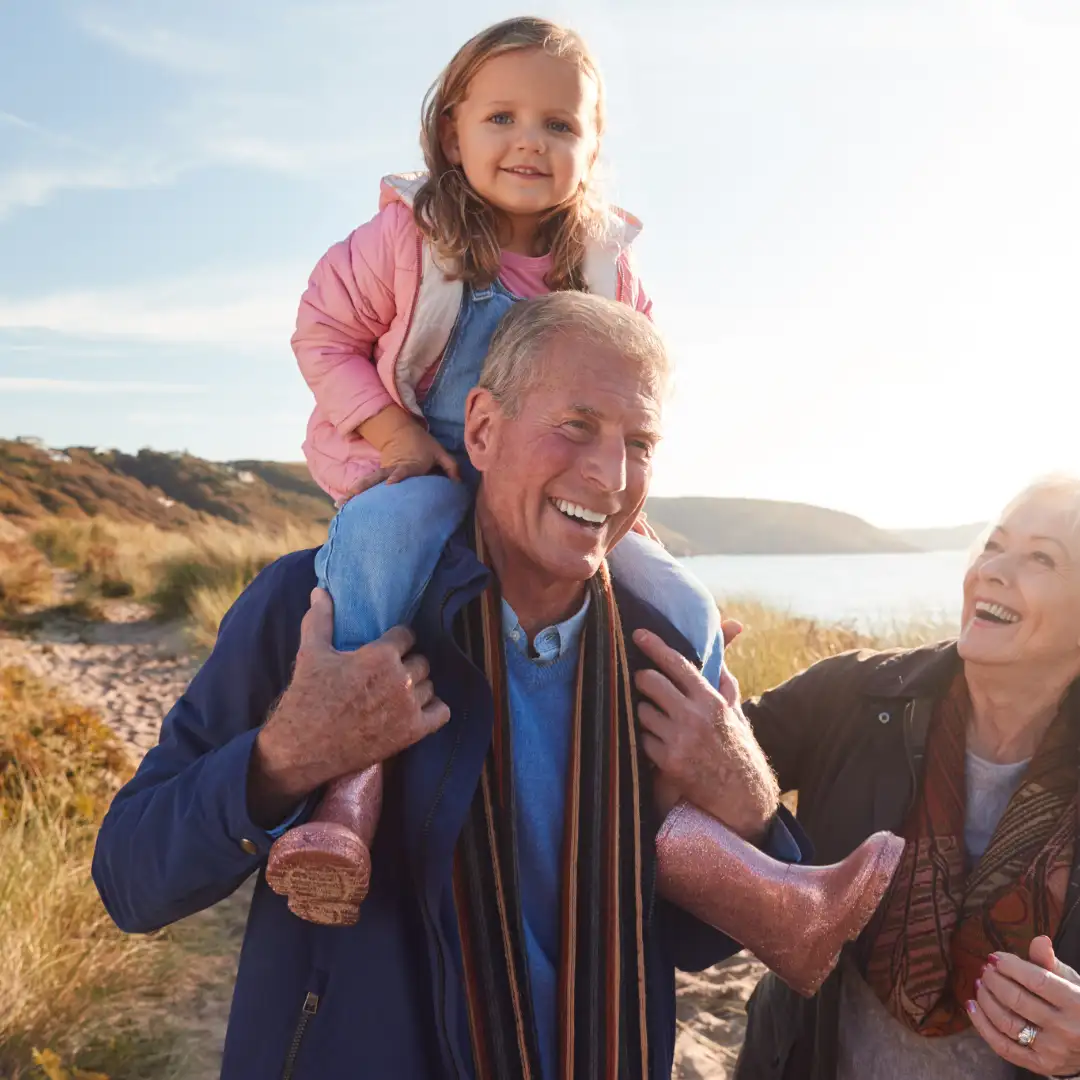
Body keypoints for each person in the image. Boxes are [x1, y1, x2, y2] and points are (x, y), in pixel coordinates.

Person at [94, 291, 816, 1080]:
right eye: (575, 425)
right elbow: (133, 879)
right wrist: (283, 758)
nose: (611, 475)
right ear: (480, 428)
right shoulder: (324, 611)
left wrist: (748, 808)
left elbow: (694, 939)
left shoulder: (663, 649)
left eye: (639, 442)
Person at [286, 15, 726, 908]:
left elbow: (636, 400)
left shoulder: (608, 274)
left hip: (555, 496)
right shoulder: (405, 239)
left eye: (560, 125)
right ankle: (352, 785)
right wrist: (390, 435)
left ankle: (705, 816)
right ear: (453, 130)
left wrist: (624, 498)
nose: (530, 141)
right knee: (379, 542)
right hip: (426, 472)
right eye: (502, 118)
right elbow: (322, 332)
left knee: (683, 597)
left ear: (592, 148)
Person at [734, 476, 1080, 1080]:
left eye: (1042, 558)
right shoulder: (853, 695)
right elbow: (688, 769)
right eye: (994, 545)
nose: (994, 570)